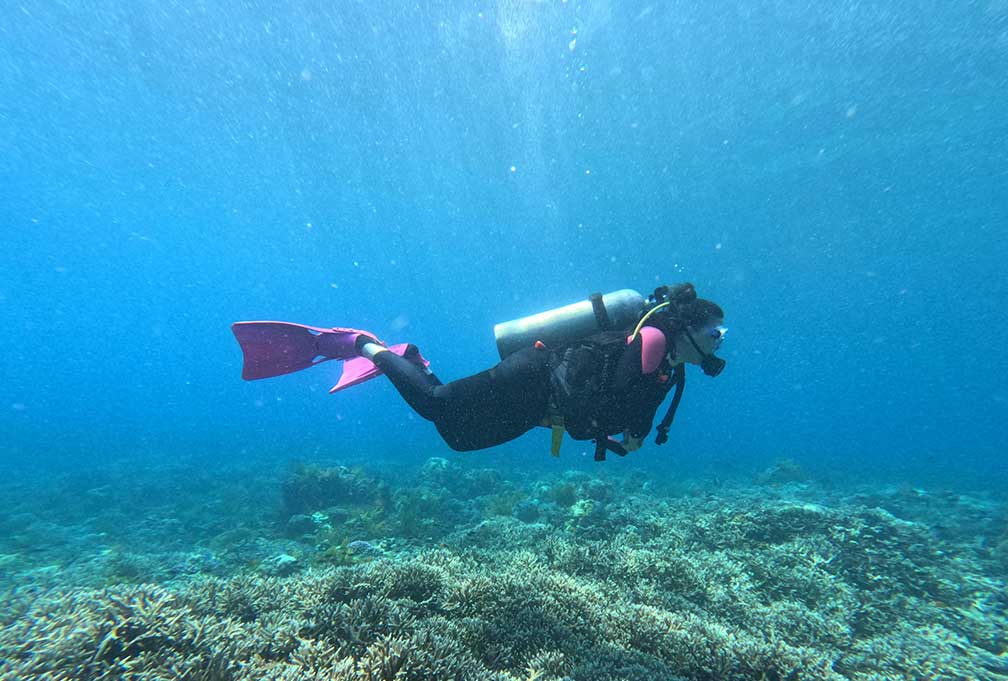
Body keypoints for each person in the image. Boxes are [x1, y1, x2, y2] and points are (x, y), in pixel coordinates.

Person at [232, 283, 725, 460]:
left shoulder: (671, 370)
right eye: (715, 333)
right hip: (532, 376)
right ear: (689, 329)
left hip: (542, 408)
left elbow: (621, 409)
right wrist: (631, 430)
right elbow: (616, 401)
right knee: (434, 406)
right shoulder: (657, 340)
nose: (719, 342)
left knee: (458, 440)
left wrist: (631, 432)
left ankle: (411, 358)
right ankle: (362, 342)